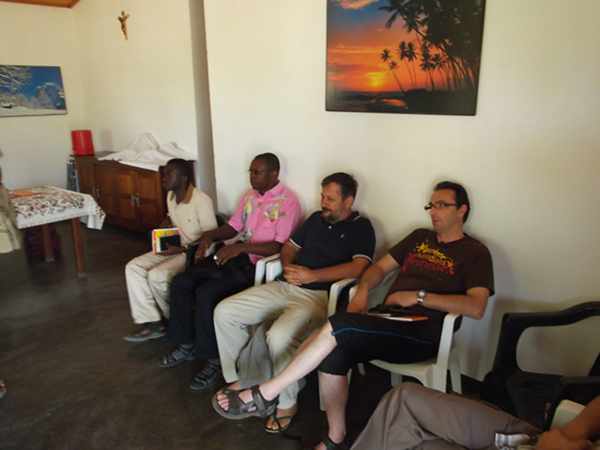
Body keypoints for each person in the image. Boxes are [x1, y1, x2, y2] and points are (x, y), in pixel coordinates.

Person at [213, 181, 494, 450]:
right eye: (431, 205)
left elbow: (476, 307)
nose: (433, 211)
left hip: (422, 332)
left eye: (442, 205)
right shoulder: (420, 237)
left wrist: (419, 297)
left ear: (462, 210)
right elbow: (378, 268)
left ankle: (266, 392)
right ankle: (336, 437)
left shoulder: (475, 252)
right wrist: (363, 290)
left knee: (339, 325)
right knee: (335, 352)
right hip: (387, 320)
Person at [213, 172, 376, 434]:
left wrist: (313, 276)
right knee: (225, 312)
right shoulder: (315, 219)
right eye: (322, 196)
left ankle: (287, 403)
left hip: (319, 296)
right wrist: (288, 266)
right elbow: (289, 247)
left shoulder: (361, 227)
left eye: (331, 199)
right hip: (285, 286)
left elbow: (359, 267)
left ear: (348, 201)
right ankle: (245, 380)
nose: (323, 202)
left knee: (279, 335)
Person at [161, 153, 303, 392]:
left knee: (207, 293)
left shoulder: (288, 202)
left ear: (274, 174)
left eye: (257, 172)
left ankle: (213, 360)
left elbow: (279, 246)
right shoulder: (249, 196)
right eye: (251, 171)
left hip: (256, 265)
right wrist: (209, 236)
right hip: (234, 256)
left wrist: (241, 248)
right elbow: (233, 227)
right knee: (182, 281)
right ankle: (186, 343)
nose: (252, 177)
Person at [124, 158, 217, 342]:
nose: (163, 178)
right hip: (175, 247)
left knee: (157, 275)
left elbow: (211, 237)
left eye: (169, 174)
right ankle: (153, 321)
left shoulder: (201, 200)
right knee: (133, 267)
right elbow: (171, 218)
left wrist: (182, 248)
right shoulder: (171, 197)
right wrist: (162, 229)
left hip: (193, 252)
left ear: (183, 178)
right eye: (164, 174)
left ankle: (174, 321)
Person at [350, 383, 600, 450]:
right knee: (403, 404)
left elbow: (475, 306)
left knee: (408, 439)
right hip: (535, 442)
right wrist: (569, 434)